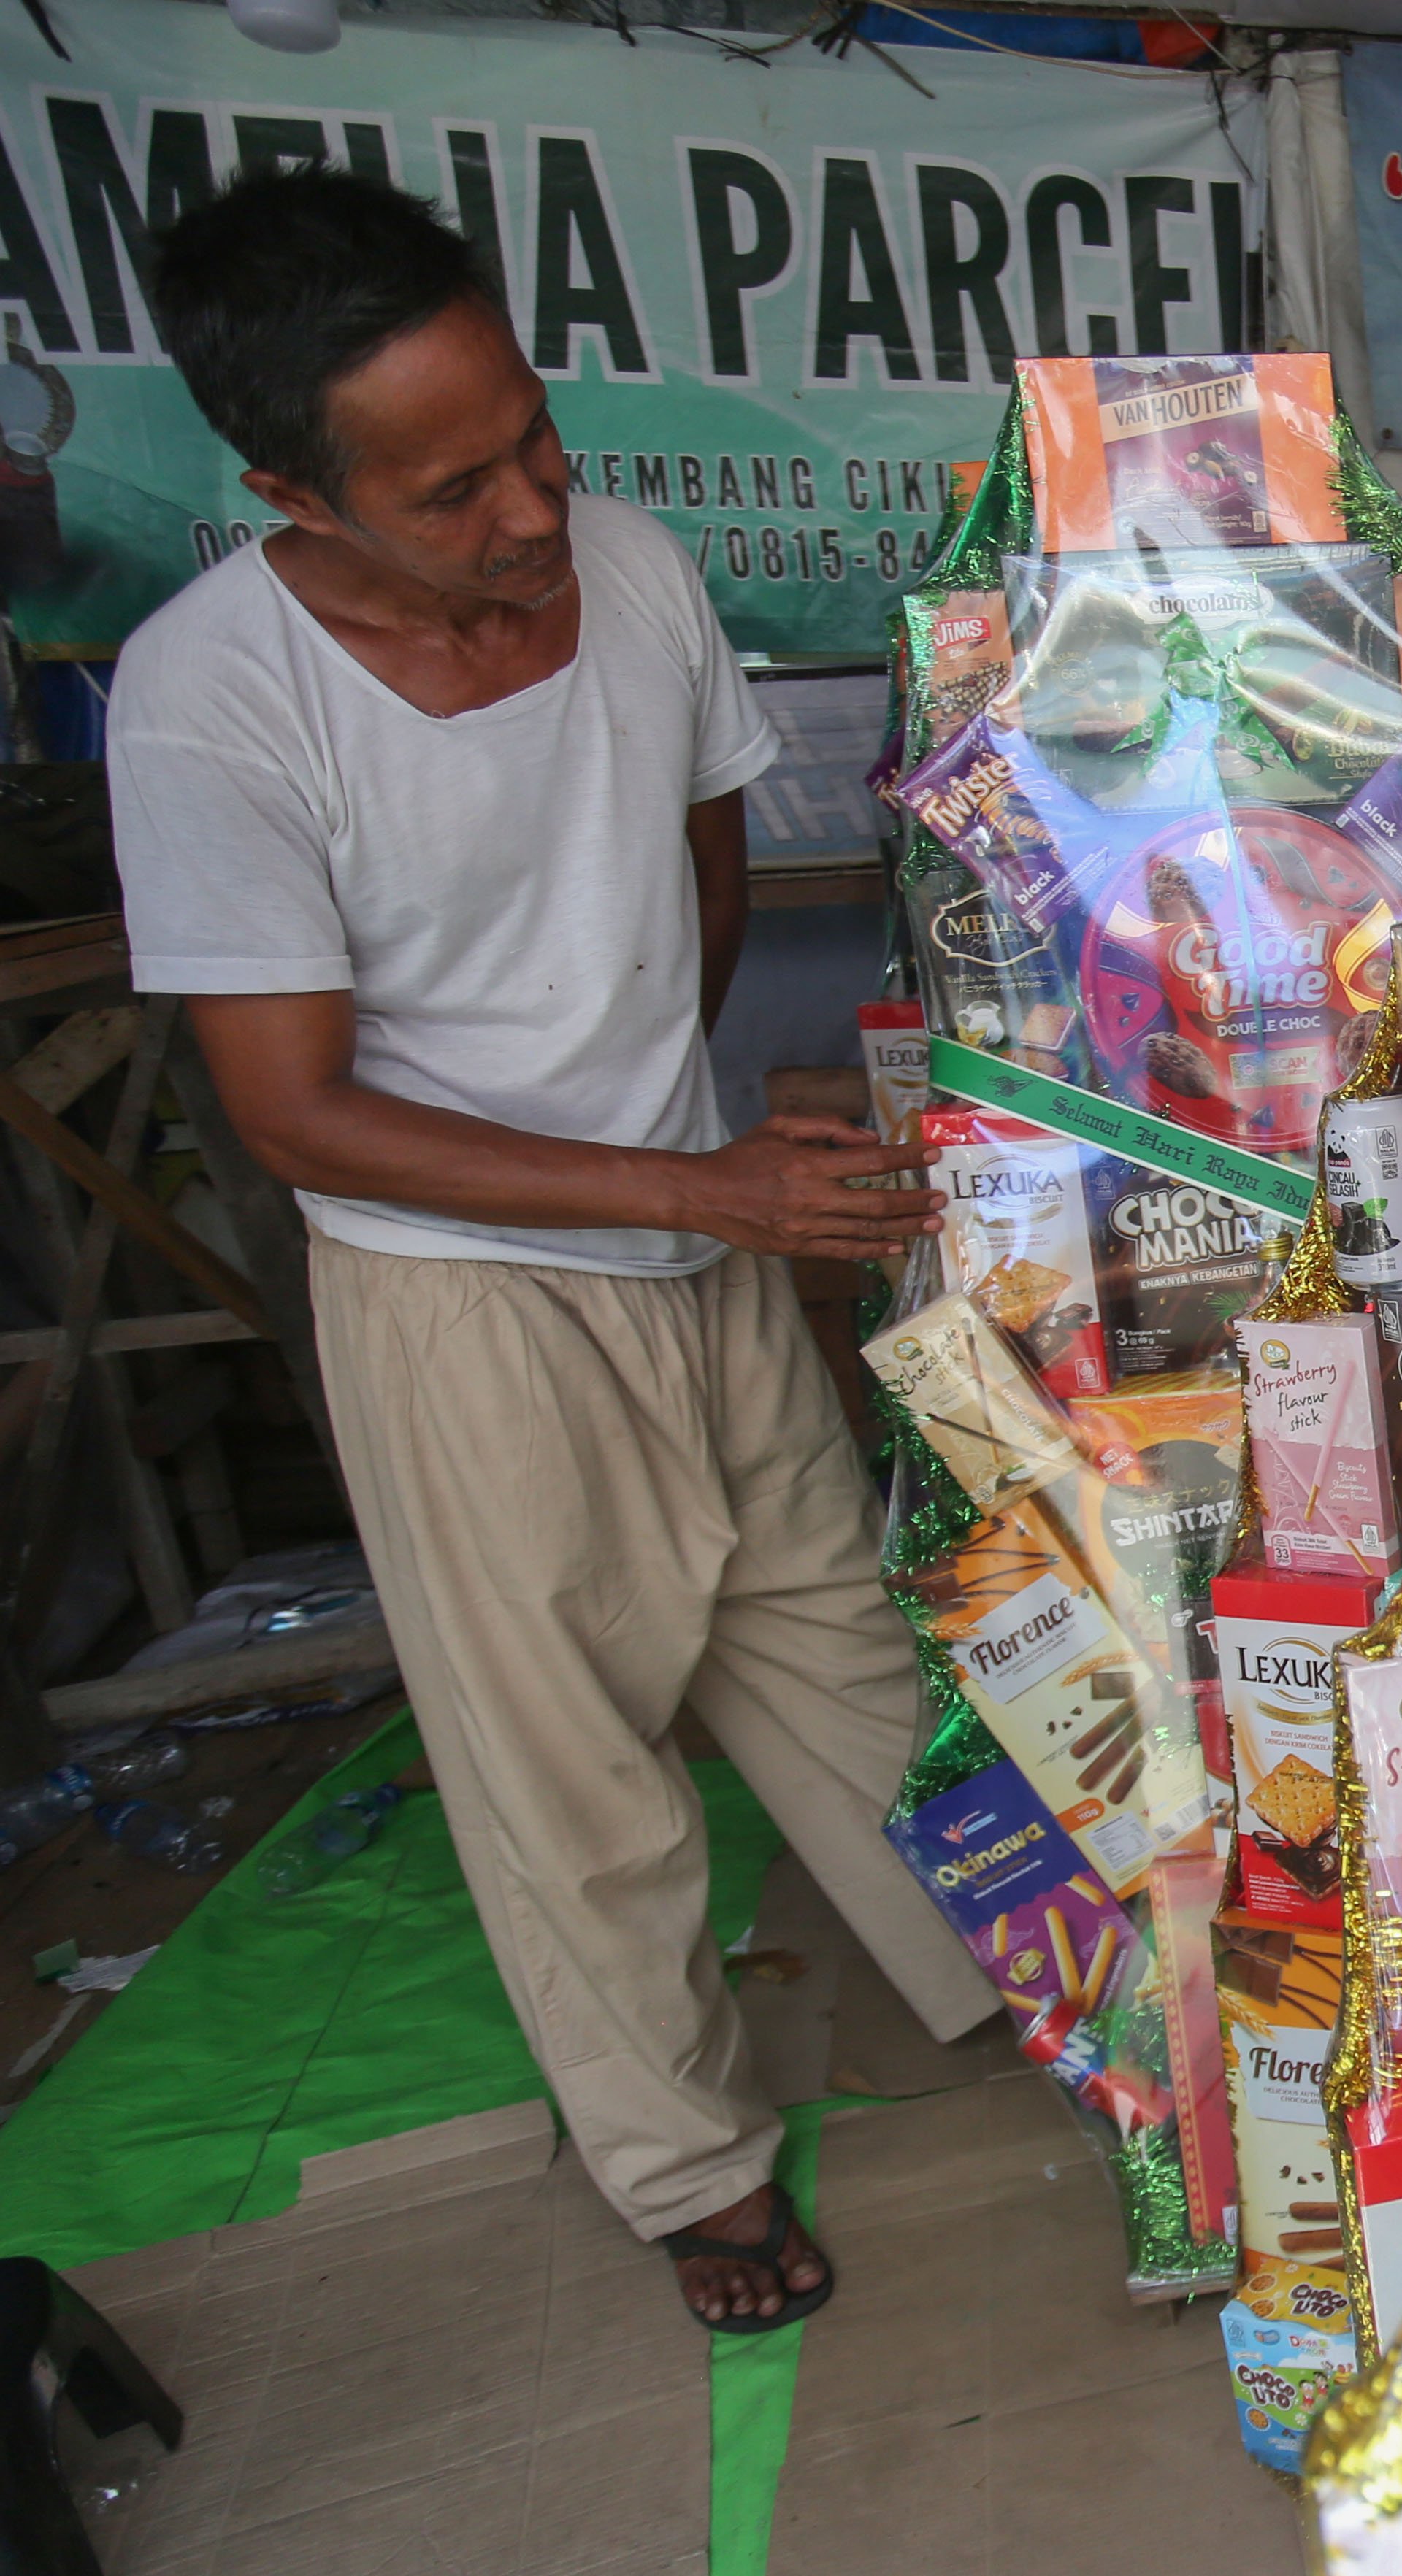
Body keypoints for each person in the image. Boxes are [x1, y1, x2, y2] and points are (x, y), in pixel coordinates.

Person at [106, 170, 996, 2334]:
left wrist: (681, 1150)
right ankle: (687, 2166)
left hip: (677, 1223)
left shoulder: (634, 566)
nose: (529, 509)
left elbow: (688, 888)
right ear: (286, 493)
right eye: (452, 484)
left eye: (533, 437)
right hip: (459, 1303)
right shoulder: (208, 701)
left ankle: (1037, 2004)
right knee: (570, 1770)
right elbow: (292, 1108)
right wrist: (688, 1193)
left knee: (849, 1657)